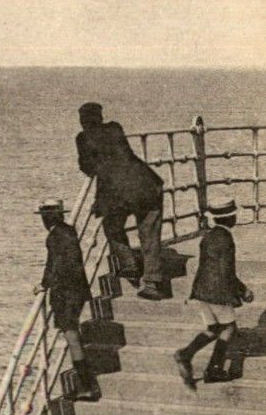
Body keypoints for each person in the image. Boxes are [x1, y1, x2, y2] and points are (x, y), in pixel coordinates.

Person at [76, 102, 169, 300]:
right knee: (149, 233)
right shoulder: (115, 128)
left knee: (112, 226)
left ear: (83, 121)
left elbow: (88, 168)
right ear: (100, 118)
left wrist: (99, 200)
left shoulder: (83, 138)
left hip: (117, 193)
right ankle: (151, 281)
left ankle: (129, 265)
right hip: (146, 185)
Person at [174, 199, 254, 388]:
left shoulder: (207, 237)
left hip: (202, 291)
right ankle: (214, 369)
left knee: (213, 329)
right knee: (229, 328)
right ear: (231, 219)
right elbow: (226, 271)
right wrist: (243, 291)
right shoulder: (226, 239)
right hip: (219, 292)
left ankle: (185, 355)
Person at [33, 199, 101, 402]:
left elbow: (55, 264)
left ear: (46, 218)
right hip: (77, 290)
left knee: (71, 336)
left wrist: (45, 284)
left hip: (66, 293)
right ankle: (85, 384)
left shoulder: (54, 236)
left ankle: (88, 386)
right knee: (73, 335)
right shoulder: (68, 231)